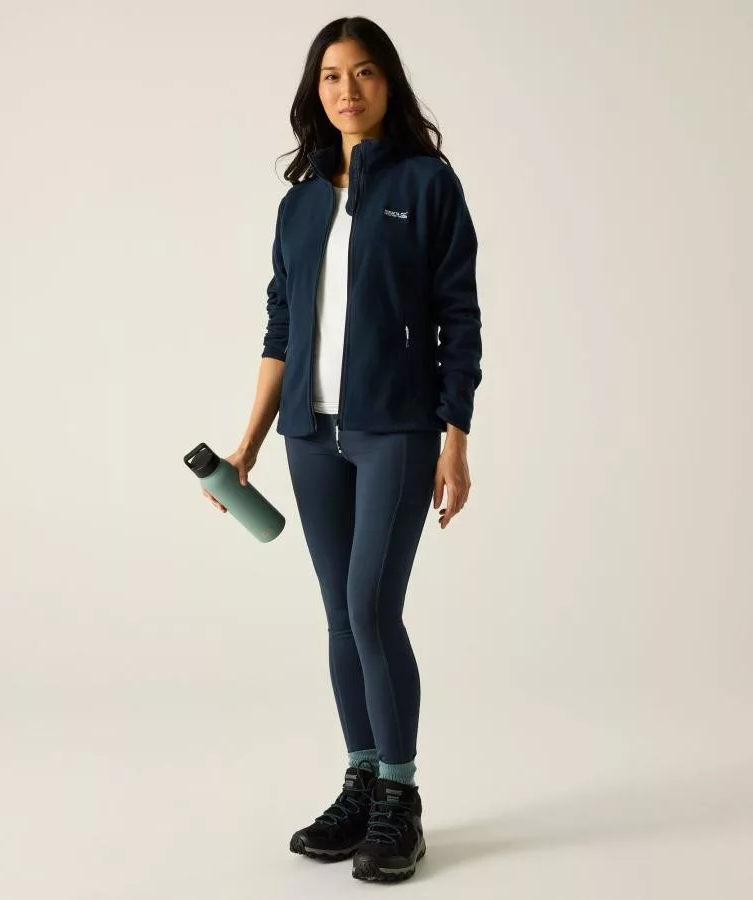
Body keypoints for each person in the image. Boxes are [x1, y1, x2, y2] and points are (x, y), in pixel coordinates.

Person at [202, 16, 482, 884]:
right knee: (338, 613)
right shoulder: (299, 203)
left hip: (396, 427)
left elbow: (459, 317)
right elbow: (282, 326)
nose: (347, 89)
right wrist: (248, 443)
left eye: (363, 72)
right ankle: (361, 779)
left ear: (387, 83)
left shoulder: (427, 183)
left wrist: (456, 438)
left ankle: (400, 794)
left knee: (371, 608)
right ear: (314, 91)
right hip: (310, 435)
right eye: (330, 75)